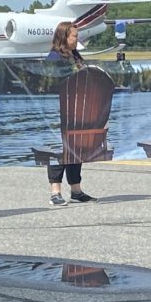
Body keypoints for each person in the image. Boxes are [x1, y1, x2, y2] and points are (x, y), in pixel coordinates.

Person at [44, 21, 97, 206]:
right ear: (64, 37)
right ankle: (55, 192)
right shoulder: (54, 58)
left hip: (77, 111)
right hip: (59, 111)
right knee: (59, 150)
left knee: (75, 150)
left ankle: (76, 190)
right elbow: (50, 84)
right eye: (74, 35)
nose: (77, 39)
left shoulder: (75, 56)